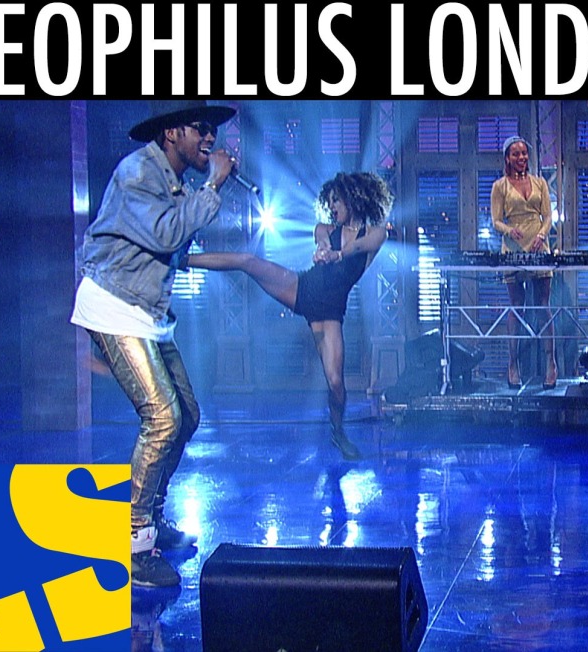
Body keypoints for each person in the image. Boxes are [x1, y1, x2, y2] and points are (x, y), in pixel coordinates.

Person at [71, 100, 237, 588]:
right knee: (162, 418)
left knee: (186, 415)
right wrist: (213, 186)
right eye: (201, 128)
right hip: (113, 303)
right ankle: (134, 542)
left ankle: (152, 516)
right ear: (171, 133)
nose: (210, 138)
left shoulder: (173, 182)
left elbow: (171, 249)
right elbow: (166, 233)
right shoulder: (138, 173)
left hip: (147, 310)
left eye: (212, 130)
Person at [186, 172, 393, 462]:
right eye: (330, 201)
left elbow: (357, 248)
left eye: (337, 200)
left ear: (353, 198)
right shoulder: (324, 228)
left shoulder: (376, 233)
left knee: (336, 382)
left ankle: (338, 431)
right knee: (247, 262)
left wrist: (336, 255)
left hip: (330, 312)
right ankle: (181, 259)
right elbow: (322, 241)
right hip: (301, 289)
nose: (332, 207)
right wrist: (323, 250)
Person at [491, 136, 557, 389]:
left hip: (539, 246)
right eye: (515, 154)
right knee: (517, 305)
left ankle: (551, 363)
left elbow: (548, 216)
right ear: (507, 158)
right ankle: (513, 364)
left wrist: (542, 235)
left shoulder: (540, 183)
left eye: (524, 153)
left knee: (543, 305)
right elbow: (496, 221)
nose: (521, 158)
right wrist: (509, 230)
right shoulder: (500, 186)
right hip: (514, 247)